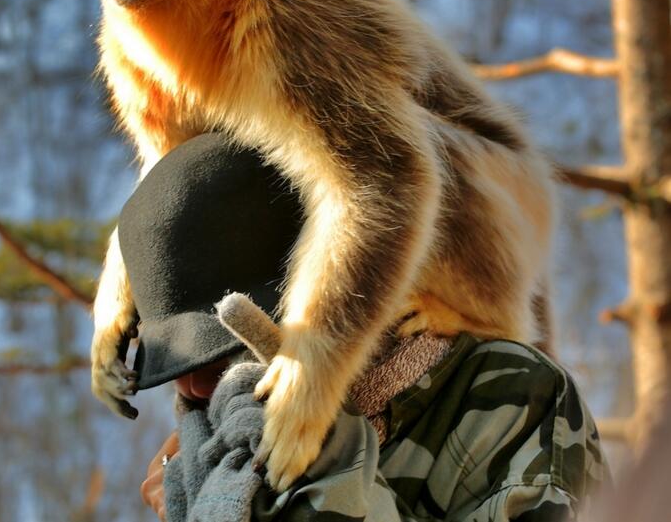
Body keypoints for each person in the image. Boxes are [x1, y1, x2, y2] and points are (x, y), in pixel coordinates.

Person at [114, 133, 609, 521]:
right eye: (175, 365)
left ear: (325, 303)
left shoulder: (514, 397)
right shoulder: (219, 453)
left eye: (218, 352)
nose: (189, 388)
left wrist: (316, 480)